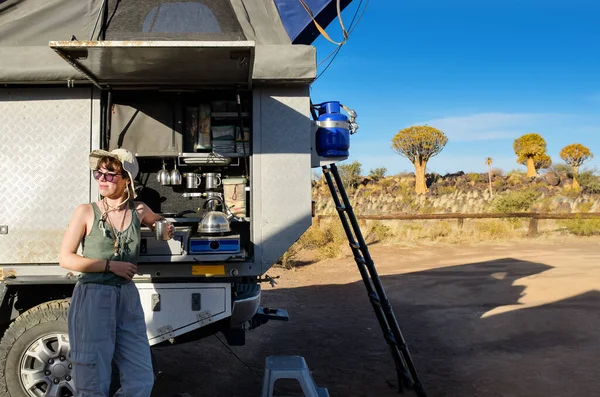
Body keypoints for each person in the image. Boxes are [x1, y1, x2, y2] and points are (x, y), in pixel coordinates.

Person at [59, 148, 174, 396]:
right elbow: (65, 258)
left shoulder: (139, 210)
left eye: (110, 174)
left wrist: (164, 228)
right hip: (93, 296)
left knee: (141, 378)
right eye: (98, 174)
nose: (102, 179)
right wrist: (110, 265)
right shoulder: (86, 211)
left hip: (126, 297)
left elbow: (159, 223)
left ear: (126, 180)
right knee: (92, 380)